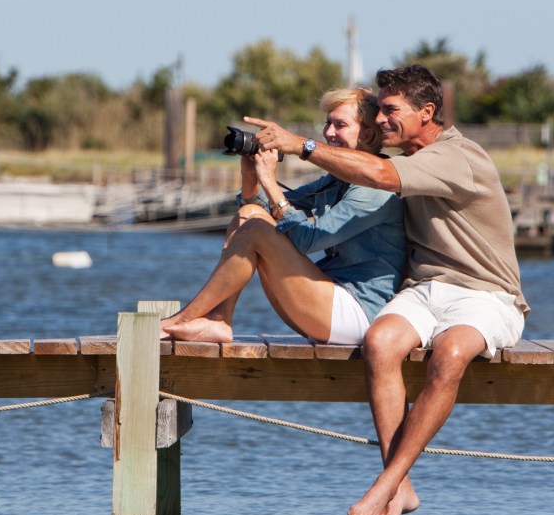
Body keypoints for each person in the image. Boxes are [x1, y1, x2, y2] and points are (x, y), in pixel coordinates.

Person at [244, 64, 528, 515]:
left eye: (390, 110)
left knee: (451, 351)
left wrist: (302, 145)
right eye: (378, 110)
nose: (380, 120)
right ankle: (403, 488)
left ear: (428, 112)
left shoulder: (457, 157)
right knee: (379, 343)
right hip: (424, 290)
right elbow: (343, 186)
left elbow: (377, 174)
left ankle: (386, 485)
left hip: (486, 294)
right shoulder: (408, 159)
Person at [160, 87, 407, 346]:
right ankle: (220, 319)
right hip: (325, 300)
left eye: (340, 125)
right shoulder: (337, 180)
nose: (329, 133)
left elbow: (308, 241)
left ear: (367, 133)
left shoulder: (374, 188)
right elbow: (260, 209)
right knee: (250, 215)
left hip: (359, 314)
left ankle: (181, 320)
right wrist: (251, 174)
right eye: (327, 123)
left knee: (256, 229)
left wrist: (269, 180)